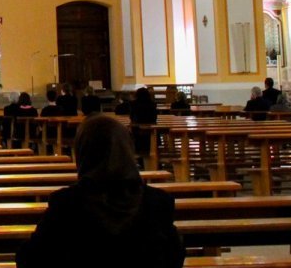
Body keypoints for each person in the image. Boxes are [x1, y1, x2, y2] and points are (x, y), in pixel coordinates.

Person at [16, 115, 184, 268]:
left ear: (83, 152)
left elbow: (31, 259)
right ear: (127, 150)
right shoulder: (158, 202)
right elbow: (175, 256)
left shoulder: (67, 204)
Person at [128, 87, 157, 157]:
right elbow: (154, 117)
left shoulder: (133, 104)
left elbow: (131, 117)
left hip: (137, 130)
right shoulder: (152, 104)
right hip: (150, 130)